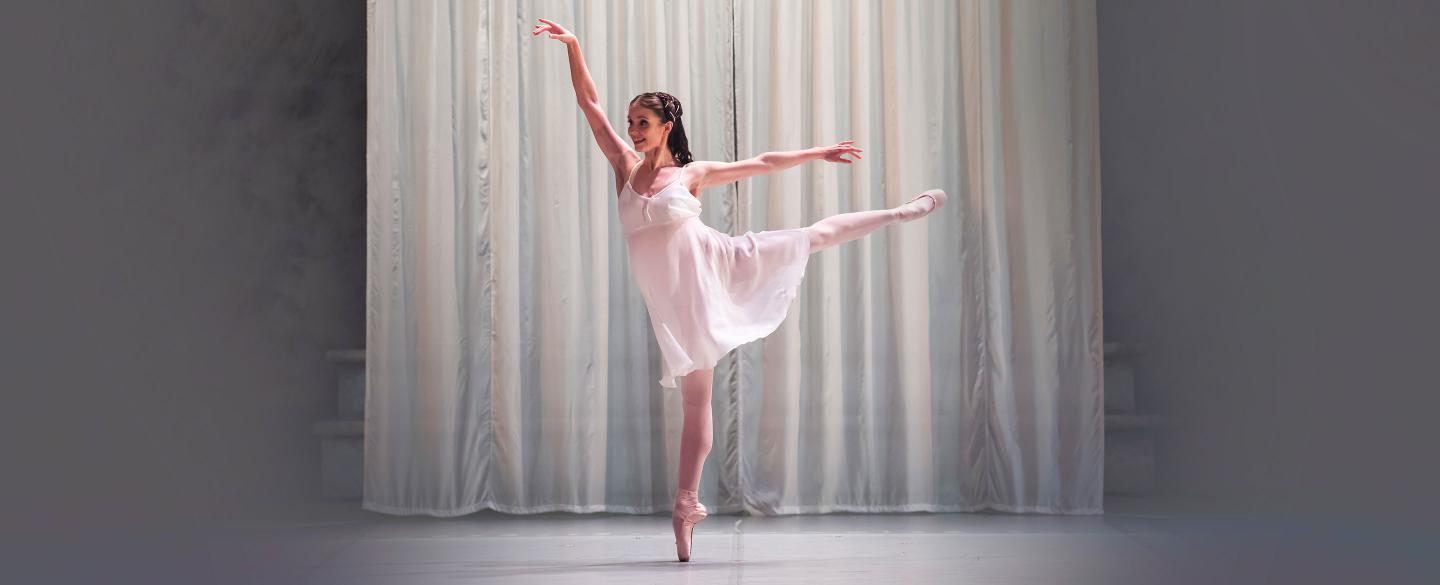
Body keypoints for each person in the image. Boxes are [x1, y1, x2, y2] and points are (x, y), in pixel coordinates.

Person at [533, 17, 944, 562]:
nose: (632, 130)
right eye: (631, 121)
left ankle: (899, 211)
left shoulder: (690, 173)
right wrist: (575, 49)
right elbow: (590, 105)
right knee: (695, 402)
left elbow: (761, 164)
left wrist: (816, 154)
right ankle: (686, 506)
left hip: (714, 269)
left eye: (643, 122)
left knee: (808, 238)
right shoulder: (624, 167)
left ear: (666, 126)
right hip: (674, 302)